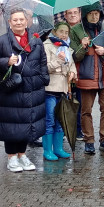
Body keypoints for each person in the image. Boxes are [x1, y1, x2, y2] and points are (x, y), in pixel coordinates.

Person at [0, 9, 49, 172]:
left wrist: (44, 79)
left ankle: (22, 154)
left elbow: (43, 61)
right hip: (11, 90)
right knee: (11, 124)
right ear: (9, 23)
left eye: (21, 19)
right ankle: (11, 157)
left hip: (32, 89)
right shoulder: (1, 42)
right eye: (15, 20)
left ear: (27, 21)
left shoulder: (36, 41)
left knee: (26, 123)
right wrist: (6, 61)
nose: (19, 22)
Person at [72, 4, 104, 154]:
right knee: (86, 110)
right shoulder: (76, 30)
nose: (94, 17)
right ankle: (89, 141)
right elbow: (74, 55)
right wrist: (83, 47)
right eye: (91, 14)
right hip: (86, 76)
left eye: (97, 13)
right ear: (85, 15)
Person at [42, 20, 77, 161]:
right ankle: (47, 151)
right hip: (50, 89)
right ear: (55, 31)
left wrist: (73, 73)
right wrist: (58, 60)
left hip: (63, 90)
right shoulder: (46, 46)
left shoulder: (67, 47)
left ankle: (58, 148)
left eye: (66, 32)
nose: (63, 34)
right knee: (49, 120)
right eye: (61, 31)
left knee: (61, 120)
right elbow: (44, 68)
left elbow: (72, 65)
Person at [63, 7, 85, 139]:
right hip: (66, 73)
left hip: (82, 72)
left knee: (80, 103)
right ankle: (66, 129)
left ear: (80, 14)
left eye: (75, 12)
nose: (72, 15)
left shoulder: (84, 30)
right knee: (67, 102)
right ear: (65, 15)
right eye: (69, 13)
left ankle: (78, 129)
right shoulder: (61, 30)